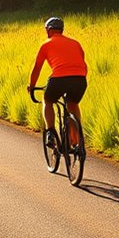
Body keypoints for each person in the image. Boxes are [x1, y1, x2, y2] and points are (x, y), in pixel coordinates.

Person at [27, 16, 88, 147]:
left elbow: (37, 68)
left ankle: (50, 132)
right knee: (72, 104)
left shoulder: (46, 44)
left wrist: (31, 86)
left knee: (48, 101)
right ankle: (76, 137)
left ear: (49, 30)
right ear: (61, 30)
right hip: (80, 79)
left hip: (59, 79)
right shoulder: (76, 43)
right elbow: (83, 64)